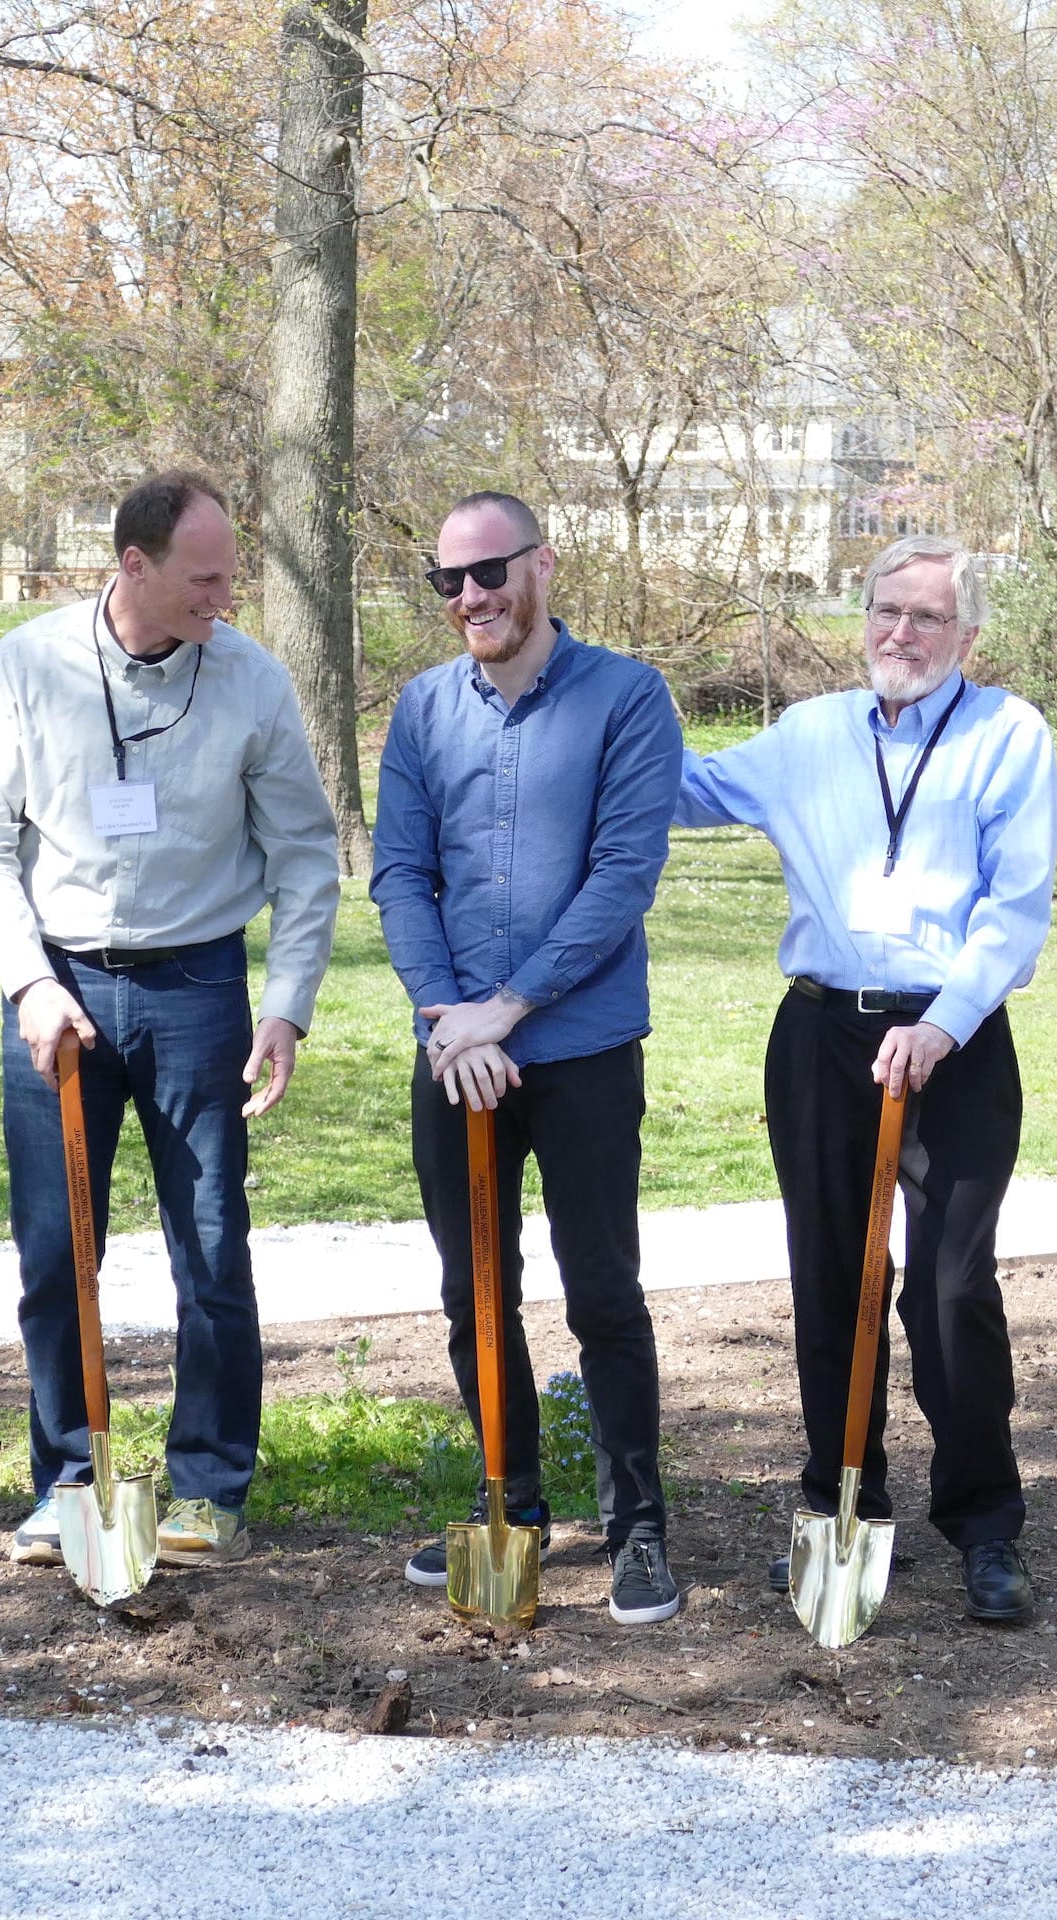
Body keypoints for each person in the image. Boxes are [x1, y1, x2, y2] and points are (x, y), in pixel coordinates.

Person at [0, 469, 340, 1571]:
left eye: (231, 573)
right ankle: (68, 1478)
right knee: (55, 1249)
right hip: (58, 988)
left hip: (197, 988)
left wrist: (285, 1006)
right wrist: (28, 982)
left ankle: (209, 1484)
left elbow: (306, 856)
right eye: (205, 576)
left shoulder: (253, 682)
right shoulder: (28, 667)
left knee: (211, 1243)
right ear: (134, 566)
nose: (228, 593)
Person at [675, 533, 1057, 1623]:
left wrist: (940, 1024)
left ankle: (985, 1523)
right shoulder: (808, 735)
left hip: (954, 1043)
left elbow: (1015, 908)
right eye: (886, 611)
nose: (900, 633)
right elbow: (685, 792)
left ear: (967, 636)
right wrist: (599, 708)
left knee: (947, 1291)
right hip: (823, 1040)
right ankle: (838, 1506)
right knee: (832, 1285)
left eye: (927, 618)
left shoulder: (1007, 737)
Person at [371, 490, 686, 1626]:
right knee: (473, 1292)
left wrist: (507, 1007)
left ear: (543, 565)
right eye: (447, 582)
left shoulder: (626, 698)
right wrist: (447, 1019)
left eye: (489, 573)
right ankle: (512, 1502)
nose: (469, 599)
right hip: (456, 1051)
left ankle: (637, 1526)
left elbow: (622, 876)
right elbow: (400, 876)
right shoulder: (419, 711)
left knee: (602, 1290)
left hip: (582, 1047)